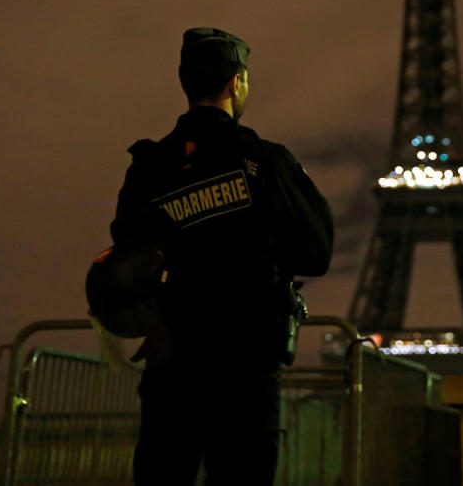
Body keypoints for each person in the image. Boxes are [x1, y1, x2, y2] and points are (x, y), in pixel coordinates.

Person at [108, 27, 333, 485]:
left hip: (171, 365)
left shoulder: (147, 169)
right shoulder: (265, 162)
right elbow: (316, 252)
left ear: (186, 83)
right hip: (245, 365)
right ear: (236, 83)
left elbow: (126, 259)